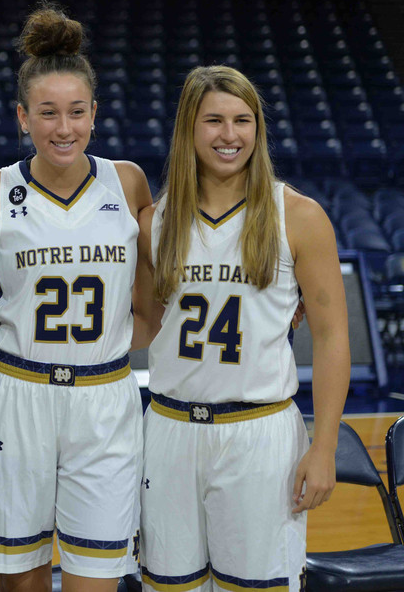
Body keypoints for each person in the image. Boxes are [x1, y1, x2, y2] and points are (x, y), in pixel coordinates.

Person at [0, 3, 151, 592]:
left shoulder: (129, 181)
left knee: (97, 578)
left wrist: (107, 350)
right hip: (17, 395)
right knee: (22, 582)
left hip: (104, 398)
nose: (62, 128)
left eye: (75, 112)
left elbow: (154, 300)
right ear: (22, 117)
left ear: (95, 113)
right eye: (47, 113)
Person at [134, 65, 350, 592]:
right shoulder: (153, 222)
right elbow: (145, 325)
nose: (229, 136)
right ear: (188, 129)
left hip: (259, 434)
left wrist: (323, 447)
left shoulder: (297, 216)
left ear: (258, 129)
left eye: (242, 121)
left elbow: (331, 337)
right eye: (213, 121)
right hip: (169, 430)